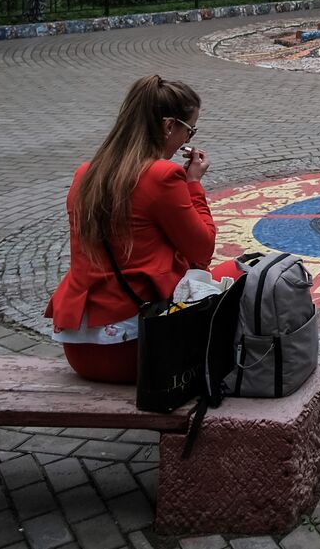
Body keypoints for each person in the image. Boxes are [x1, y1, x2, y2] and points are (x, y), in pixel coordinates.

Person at [45, 75, 216, 383]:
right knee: (242, 275)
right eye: (188, 131)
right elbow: (202, 250)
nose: (186, 142)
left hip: (79, 352)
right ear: (167, 126)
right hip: (135, 350)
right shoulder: (162, 176)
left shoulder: (86, 173)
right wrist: (193, 184)